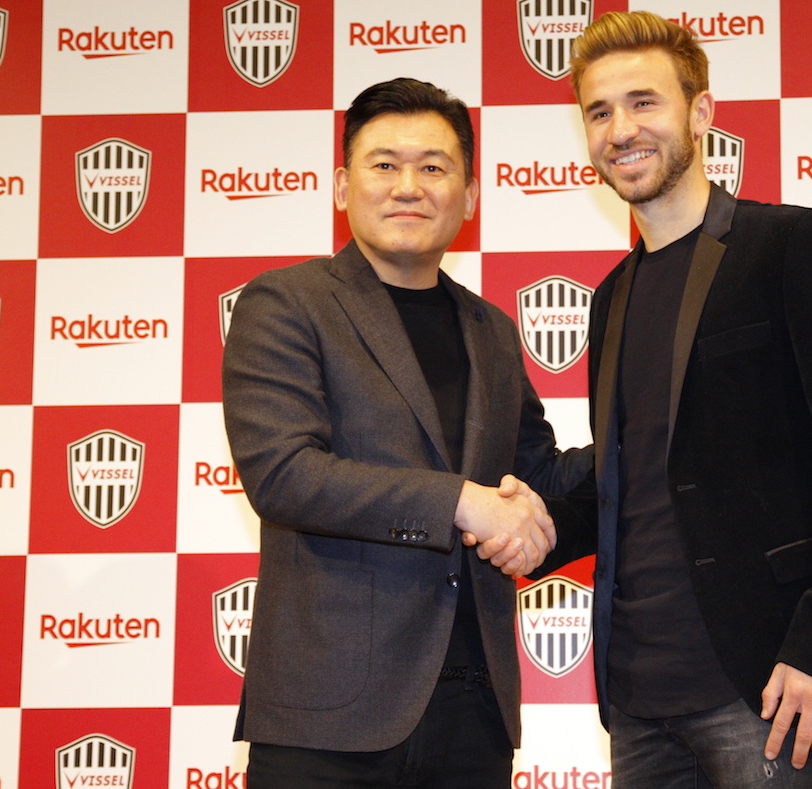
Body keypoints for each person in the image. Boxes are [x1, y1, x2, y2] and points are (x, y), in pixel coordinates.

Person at [489, 11, 812, 788]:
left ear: (700, 111)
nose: (621, 129)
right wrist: (530, 521)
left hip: (768, 687)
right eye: (598, 111)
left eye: (644, 102)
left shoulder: (792, 244)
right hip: (637, 700)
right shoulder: (611, 298)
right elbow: (639, 473)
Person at [222, 77, 592, 788]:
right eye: (383, 164)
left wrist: (654, 442)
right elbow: (285, 473)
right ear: (341, 184)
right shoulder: (287, 304)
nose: (408, 186)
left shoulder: (491, 329)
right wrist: (460, 500)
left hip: (472, 713)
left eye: (434, 166)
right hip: (329, 719)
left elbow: (534, 481)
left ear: (471, 195)